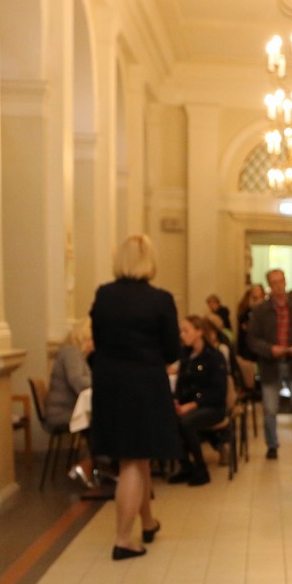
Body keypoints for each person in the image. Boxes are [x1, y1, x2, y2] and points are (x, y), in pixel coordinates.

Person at [89, 233, 179, 559]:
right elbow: (172, 351)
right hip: (144, 385)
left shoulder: (104, 295)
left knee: (139, 456)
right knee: (133, 457)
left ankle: (148, 521)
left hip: (109, 384)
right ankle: (123, 539)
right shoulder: (160, 300)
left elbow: (98, 339)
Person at [246, 267, 292, 464]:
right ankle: (272, 445)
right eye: (274, 282)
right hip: (271, 365)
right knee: (270, 409)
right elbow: (252, 339)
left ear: (285, 282)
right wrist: (270, 349)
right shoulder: (260, 310)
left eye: (281, 281)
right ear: (269, 285)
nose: (278, 286)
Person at [169, 315, 229, 486]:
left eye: (186, 331)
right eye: (181, 331)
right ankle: (185, 466)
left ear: (199, 332)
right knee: (169, 419)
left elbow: (218, 392)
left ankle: (201, 469)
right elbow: (180, 385)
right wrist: (177, 401)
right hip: (190, 405)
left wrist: (193, 405)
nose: (182, 335)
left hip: (212, 407)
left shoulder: (214, 356)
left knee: (186, 422)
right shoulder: (186, 355)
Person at [45, 318, 100, 488]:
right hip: (62, 412)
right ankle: (89, 464)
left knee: (104, 421)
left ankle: (99, 465)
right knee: (102, 423)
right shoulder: (71, 352)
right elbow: (78, 381)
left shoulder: (76, 354)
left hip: (68, 408)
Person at [235, 284, 265, 358]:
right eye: (254, 290)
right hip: (247, 348)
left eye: (257, 290)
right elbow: (243, 324)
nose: (255, 292)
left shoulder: (266, 308)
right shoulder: (246, 308)